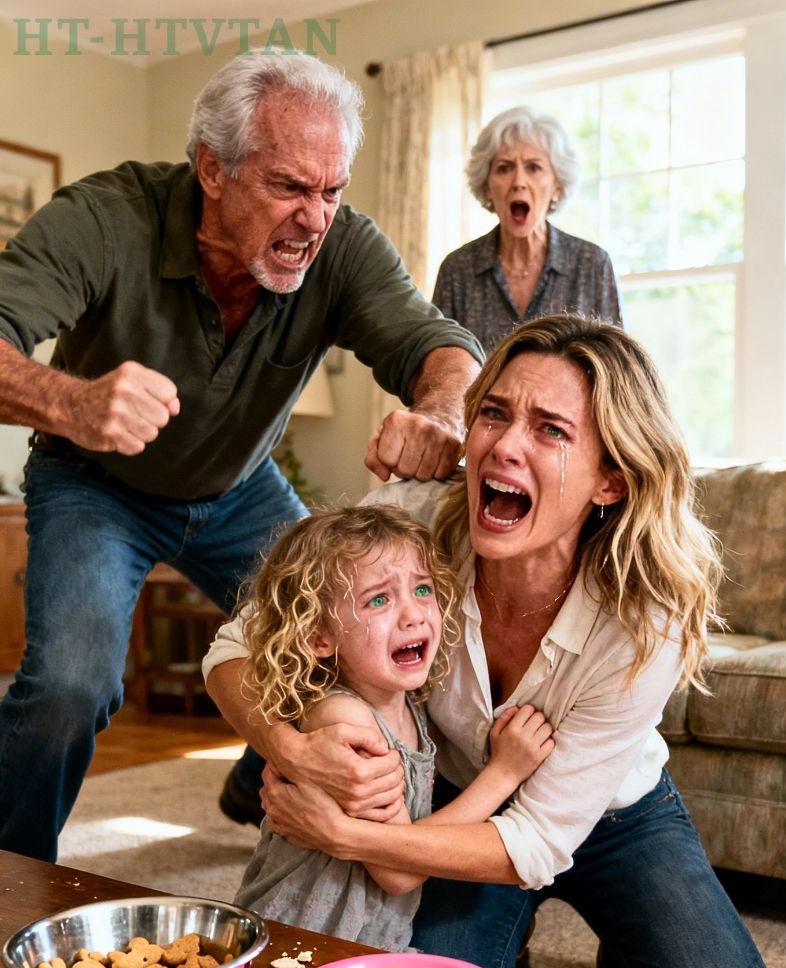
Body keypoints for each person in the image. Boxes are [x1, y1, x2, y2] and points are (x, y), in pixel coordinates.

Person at [205, 314, 786, 968]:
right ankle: (509, 940)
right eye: (494, 413)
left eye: (549, 429)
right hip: (456, 804)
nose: (504, 446)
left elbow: (541, 837)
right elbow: (234, 647)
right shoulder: (412, 515)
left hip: (613, 818)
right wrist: (290, 749)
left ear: (610, 479)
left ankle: (627, 934)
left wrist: (346, 833)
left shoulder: (644, 618)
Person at [0, 50, 483, 863]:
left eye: (331, 191)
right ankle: (9, 879)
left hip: (239, 487)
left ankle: (248, 778)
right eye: (290, 188)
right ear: (211, 169)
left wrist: (439, 413)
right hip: (94, 483)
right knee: (71, 686)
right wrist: (73, 403)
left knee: (347, 637)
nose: (315, 217)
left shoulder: (342, 248)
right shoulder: (107, 215)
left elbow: (441, 346)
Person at [233, 503, 553, 950]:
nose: (413, 615)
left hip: (367, 940)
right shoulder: (347, 723)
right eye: (379, 599)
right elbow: (399, 870)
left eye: (422, 590)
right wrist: (505, 773)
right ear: (317, 637)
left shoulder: (410, 705)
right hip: (300, 940)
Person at [432, 106, 622, 352]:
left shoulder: (592, 265)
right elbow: (439, 366)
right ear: (487, 186)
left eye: (534, 167)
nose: (519, 182)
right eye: (504, 168)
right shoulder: (457, 270)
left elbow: (616, 371)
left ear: (556, 185)